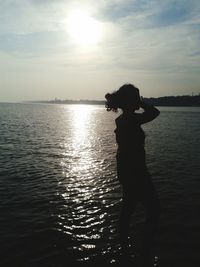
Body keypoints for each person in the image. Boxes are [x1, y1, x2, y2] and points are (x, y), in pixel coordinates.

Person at [105, 83, 161, 265]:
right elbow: (154, 112)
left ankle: (124, 247)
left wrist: (136, 101)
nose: (139, 99)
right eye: (137, 97)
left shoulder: (124, 119)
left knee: (129, 207)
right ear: (130, 100)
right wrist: (142, 102)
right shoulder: (130, 119)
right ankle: (145, 249)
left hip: (127, 167)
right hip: (134, 169)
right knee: (153, 208)